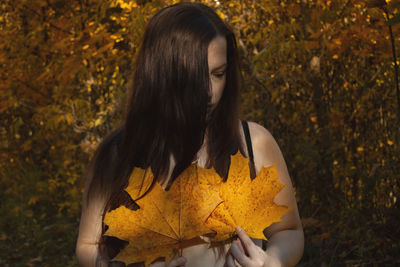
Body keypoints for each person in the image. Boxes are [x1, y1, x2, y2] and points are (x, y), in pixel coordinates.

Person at [76, 2, 304, 267]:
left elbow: (289, 231)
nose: (209, 91)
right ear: (162, 75)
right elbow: (89, 246)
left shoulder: (253, 144)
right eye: (194, 78)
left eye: (218, 74)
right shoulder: (118, 155)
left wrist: (272, 262)